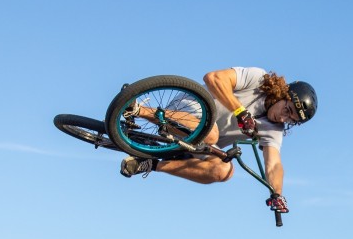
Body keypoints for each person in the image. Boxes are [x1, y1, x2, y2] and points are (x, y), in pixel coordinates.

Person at [120, 67, 318, 216]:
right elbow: (213, 78)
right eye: (288, 110)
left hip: (200, 145)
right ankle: (137, 109)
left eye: (292, 120)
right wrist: (240, 111)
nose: (284, 119)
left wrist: (277, 193)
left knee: (224, 171)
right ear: (283, 94)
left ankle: (151, 164)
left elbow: (274, 164)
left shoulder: (273, 128)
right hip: (190, 109)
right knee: (211, 133)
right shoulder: (259, 79)